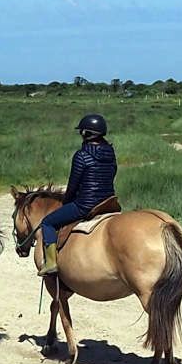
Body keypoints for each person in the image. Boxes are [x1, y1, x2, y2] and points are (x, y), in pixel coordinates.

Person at [37, 114, 117, 276]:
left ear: (86, 134)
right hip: (109, 202)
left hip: (86, 205)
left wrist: (66, 202)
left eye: (82, 131)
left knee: (47, 223)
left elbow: (73, 185)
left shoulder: (81, 155)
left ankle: (51, 263)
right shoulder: (110, 153)